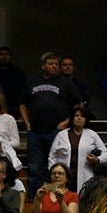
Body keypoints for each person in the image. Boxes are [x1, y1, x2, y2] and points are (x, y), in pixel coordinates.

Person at [19, 52, 82, 194]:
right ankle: (37, 198)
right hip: (35, 131)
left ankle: (54, 196)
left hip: (57, 132)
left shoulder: (66, 83)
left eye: (56, 64)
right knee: (35, 168)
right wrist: (27, 124)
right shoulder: (32, 82)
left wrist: (66, 123)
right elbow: (22, 103)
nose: (54, 66)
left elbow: (78, 106)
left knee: (55, 168)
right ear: (43, 66)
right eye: (51, 64)